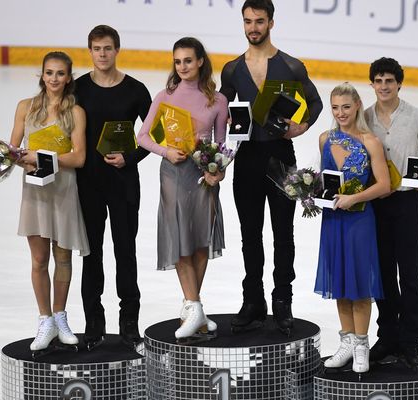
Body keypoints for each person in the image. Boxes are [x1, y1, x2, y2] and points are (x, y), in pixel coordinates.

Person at [220, 0, 323, 334]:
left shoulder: (291, 66)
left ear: (271, 23)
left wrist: (301, 127)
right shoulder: (232, 70)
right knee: (250, 234)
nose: (253, 27)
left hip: (281, 156)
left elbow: (316, 103)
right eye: (248, 21)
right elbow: (222, 110)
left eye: (259, 21)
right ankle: (253, 301)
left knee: (284, 234)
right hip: (247, 158)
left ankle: (283, 301)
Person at [137, 37, 228, 341]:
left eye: (188, 60)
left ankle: (193, 309)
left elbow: (221, 144)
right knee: (180, 239)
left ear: (201, 61)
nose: (183, 66)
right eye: (178, 62)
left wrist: (219, 172)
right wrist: (166, 152)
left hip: (203, 175)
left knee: (201, 240)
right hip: (174, 174)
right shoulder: (165, 96)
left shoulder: (218, 100)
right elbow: (143, 137)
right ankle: (195, 306)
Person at [75, 25, 152, 350]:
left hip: (123, 183)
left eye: (108, 48)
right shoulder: (77, 89)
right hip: (87, 184)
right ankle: (94, 323)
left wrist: (130, 158)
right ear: (90, 51)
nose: (102, 54)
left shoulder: (135, 90)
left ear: (117, 50)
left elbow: (153, 135)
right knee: (91, 254)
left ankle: (129, 322)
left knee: (125, 252)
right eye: (97, 48)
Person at [365, 57, 418, 369]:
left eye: (389, 81)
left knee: (410, 274)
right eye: (378, 81)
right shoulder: (365, 118)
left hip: (407, 203)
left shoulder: (416, 117)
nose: (383, 86)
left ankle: (411, 341)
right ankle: (388, 337)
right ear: (371, 84)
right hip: (376, 204)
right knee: (383, 274)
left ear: (399, 83)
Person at [10, 51, 89, 352]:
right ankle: (44, 320)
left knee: (64, 258)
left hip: (64, 190)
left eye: (60, 73)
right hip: (35, 191)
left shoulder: (76, 112)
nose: (54, 78)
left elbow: (79, 157)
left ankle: (60, 315)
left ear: (69, 77)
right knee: (40, 260)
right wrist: (22, 160)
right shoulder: (25, 108)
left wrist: (42, 158)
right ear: (41, 75)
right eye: (49, 72)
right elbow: (13, 150)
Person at [315, 83, 390, 373]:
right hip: (333, 221)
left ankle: (361, 345)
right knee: (340, 282)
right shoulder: (324, 139)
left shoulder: (370, 141)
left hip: (360, 221)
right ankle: (346, 341)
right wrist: (310, 194)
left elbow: (384, 185)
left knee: (359, 283)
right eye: (335, 107)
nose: (340, 113)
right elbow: (325, 180)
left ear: (357, 105)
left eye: (346, 106)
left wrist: (354, 198)